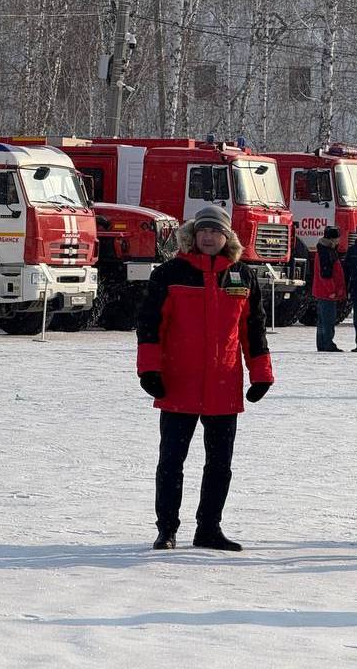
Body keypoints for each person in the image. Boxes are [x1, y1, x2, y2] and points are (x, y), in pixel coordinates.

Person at [137, 205, 275, 552]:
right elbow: (150, 326)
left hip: (223, 386)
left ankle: (209, 528)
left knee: (220, 465)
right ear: (193, 235)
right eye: (203, 232)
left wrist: (261, 374)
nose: (209, 237)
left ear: (227, 237)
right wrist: (149, 370)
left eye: (216, 232)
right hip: (178, 384)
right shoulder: (170, 274)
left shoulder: (242, 275)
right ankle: (166, 528)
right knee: (171, 461)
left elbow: (253, 329)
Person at [313, 226, 348, 352]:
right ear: (333, 239)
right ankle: (327, 343)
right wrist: (332, 291)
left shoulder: (324, 250)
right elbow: (326, 274)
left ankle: (322, 342)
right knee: (328, 319)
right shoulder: (327, 252)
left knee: (323, 319)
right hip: (327, 293)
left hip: (322, 291)